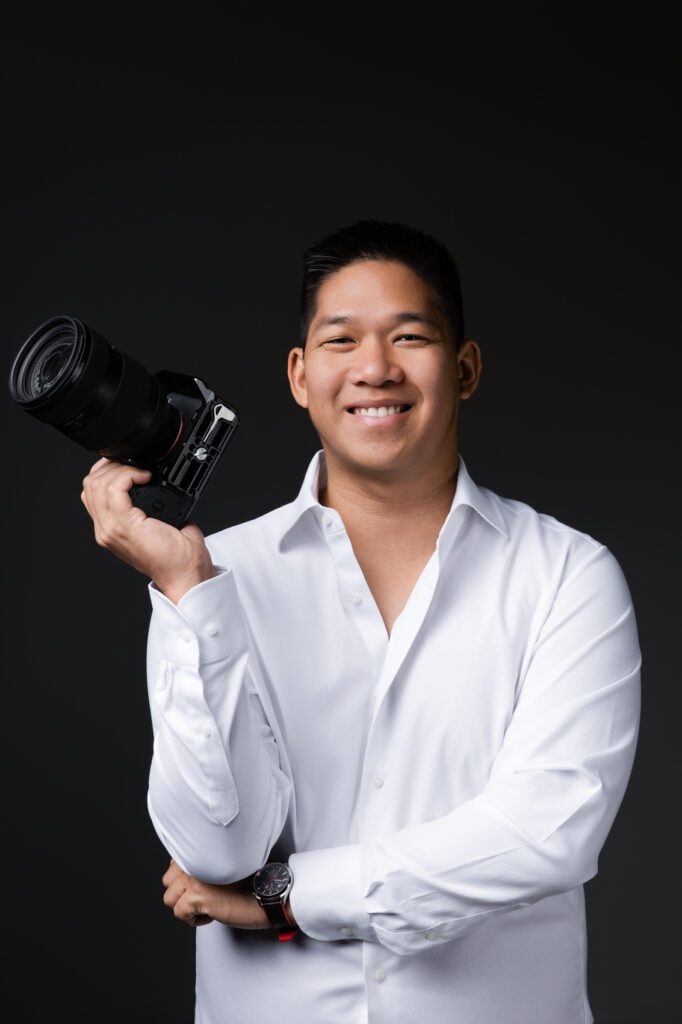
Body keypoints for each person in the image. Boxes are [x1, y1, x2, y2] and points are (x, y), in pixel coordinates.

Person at [80, 219, 642, 1024]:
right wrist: (186, 592)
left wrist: (287, 898)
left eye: (410, 336)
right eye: (342, 341)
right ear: (300, 376)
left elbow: (545, 833)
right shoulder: (211, 573)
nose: (376, 369)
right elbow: (216, 850)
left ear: (466, 367)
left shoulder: (566, 575)